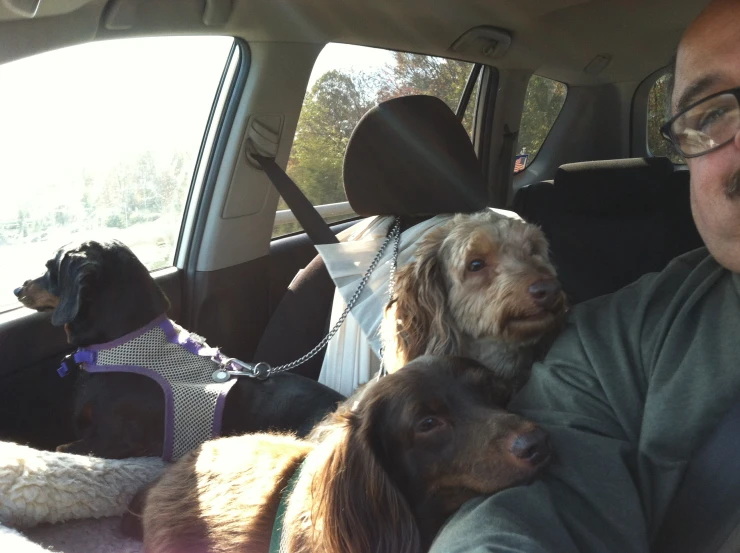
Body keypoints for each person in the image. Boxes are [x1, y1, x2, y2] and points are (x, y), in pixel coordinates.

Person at [429, 0, 740, 551]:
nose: (534, 281)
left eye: (534, 257)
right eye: (711, 115)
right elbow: (526, 506)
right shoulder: (611, 345)